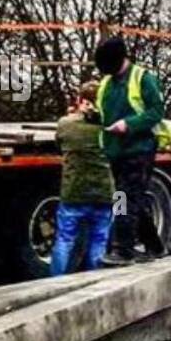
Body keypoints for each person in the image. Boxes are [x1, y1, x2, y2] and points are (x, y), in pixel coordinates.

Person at [93, 36, 168, 265]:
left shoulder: (143, 78)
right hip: (116, 150)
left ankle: (122, 249)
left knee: (124, 197)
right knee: (129, 198)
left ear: (120, 59)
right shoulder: (107, 83)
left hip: (139, 148)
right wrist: (92, 116)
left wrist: (129, 124)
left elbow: (156, 112)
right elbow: (104, 111)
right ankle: (155, 246)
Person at [51, 81, 114, 276]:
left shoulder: (66, 124)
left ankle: (54, 284)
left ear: (79, 101)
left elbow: (58, 143)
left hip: (73, 194)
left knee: (65, 240)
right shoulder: (110, 127)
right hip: (104, 195)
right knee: (99, 240)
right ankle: (93, 282)